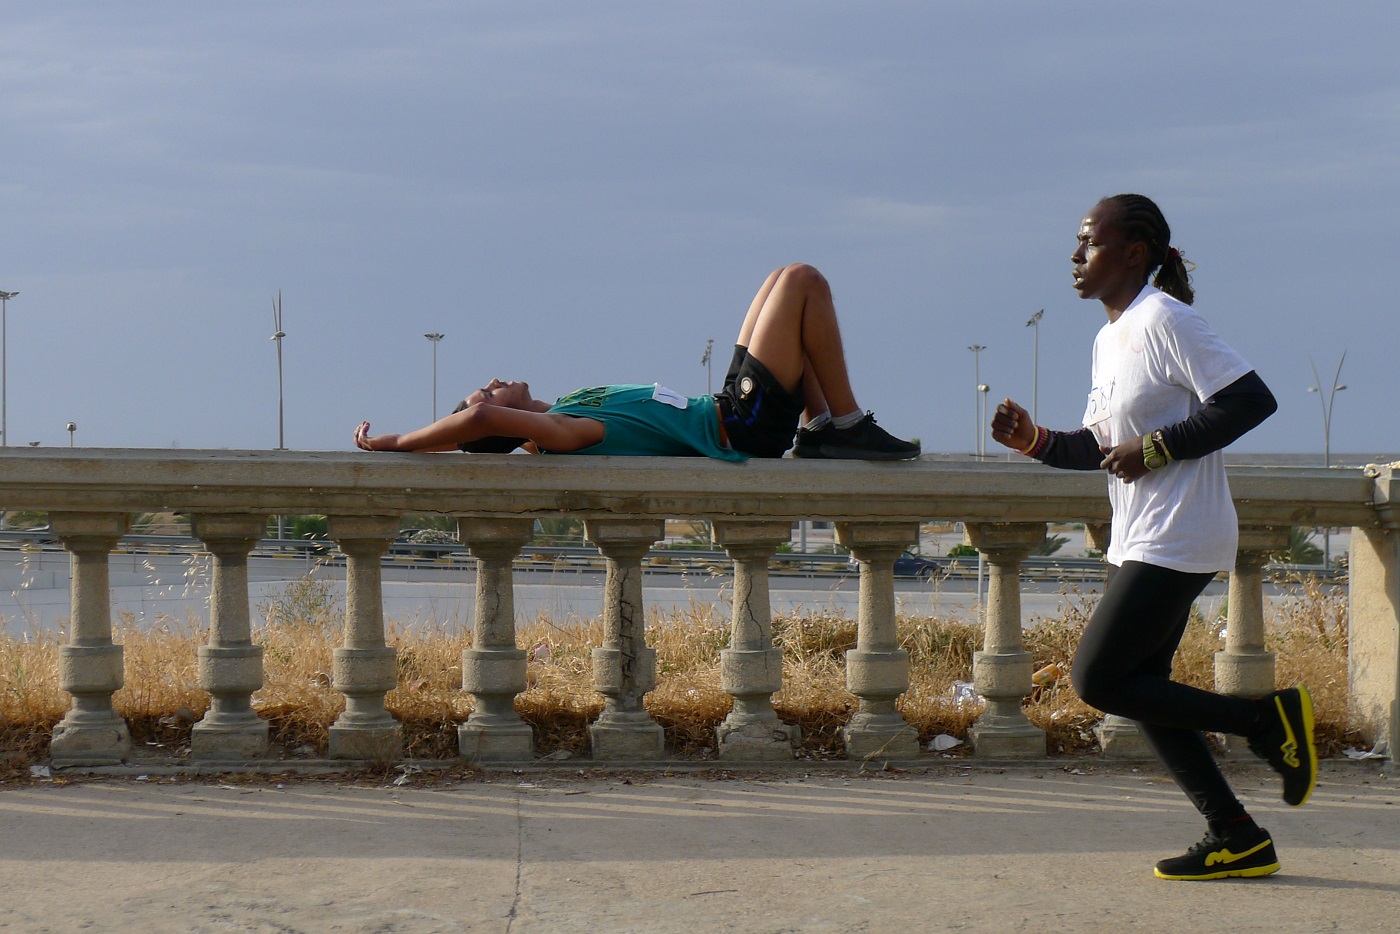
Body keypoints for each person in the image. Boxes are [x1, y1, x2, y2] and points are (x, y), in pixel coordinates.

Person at [990, 194, 1315, 882]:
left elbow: (1252, 399)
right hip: (1143, 535)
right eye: (1077, 245)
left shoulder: (1167, 319)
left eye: (1089, 244)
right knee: (1141, 685)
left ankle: (1267, 723)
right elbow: (1104, 446)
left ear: (1134, 253)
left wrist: (1160, 447)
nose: (1075, 257)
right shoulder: (1111, 337)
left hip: (1181, 532)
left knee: (1098, 678)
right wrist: (1037, 442)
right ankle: (1237, 832)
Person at [354, 263, 919, 461]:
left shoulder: (568, 408)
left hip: (727, 410)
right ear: (504, 422)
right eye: (488, 392)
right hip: (741, 430)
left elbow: (482, 417)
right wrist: (396, 441)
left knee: (778, 282)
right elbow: (475, 425)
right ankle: (847, 427)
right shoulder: (561, 433)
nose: (494, 383)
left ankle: (820, 428)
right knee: (803, 281)